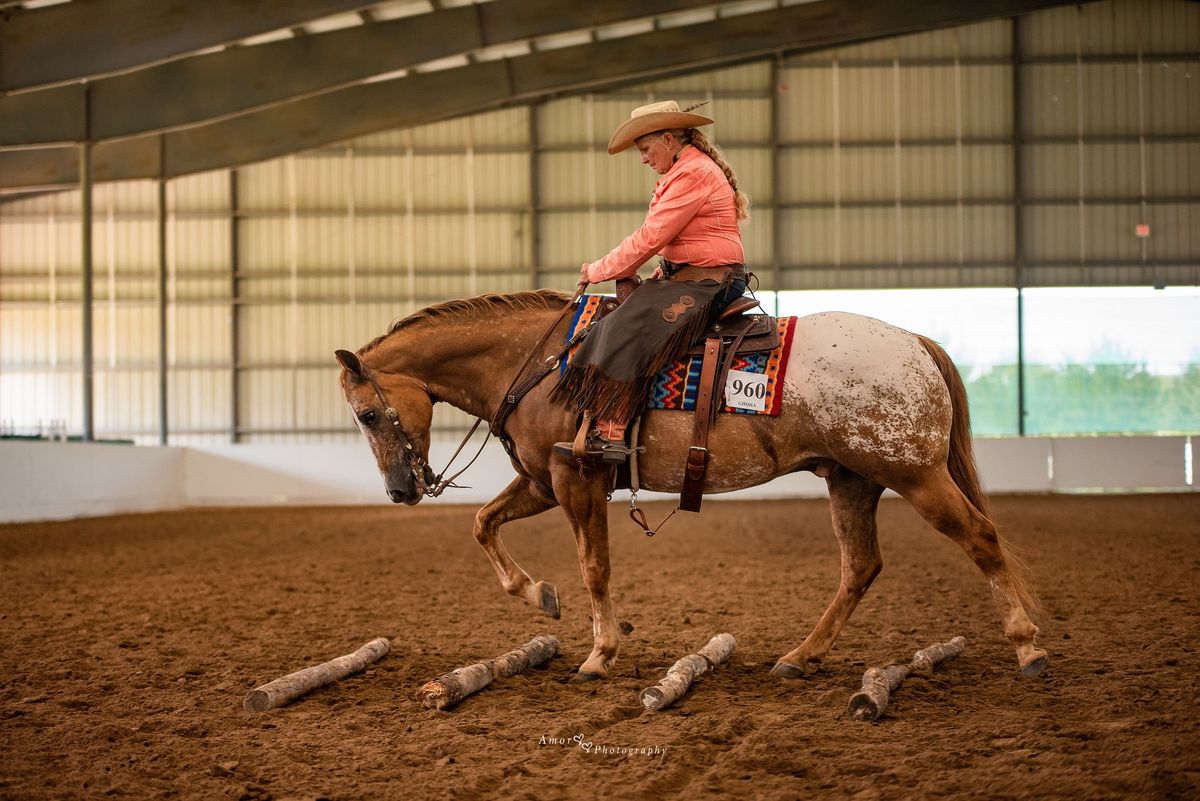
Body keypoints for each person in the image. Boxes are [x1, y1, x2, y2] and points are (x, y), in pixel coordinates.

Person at [551, 100, 752, 464]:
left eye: (645, 149)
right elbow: (675, 239)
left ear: (669, 139)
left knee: (624, 328)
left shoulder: (692, 174)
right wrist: (668, 269)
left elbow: (649, 238)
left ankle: (611, 432)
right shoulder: (686, 172)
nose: (643, 158)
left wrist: (597, 270)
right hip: (695, 278)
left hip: (709, 282)